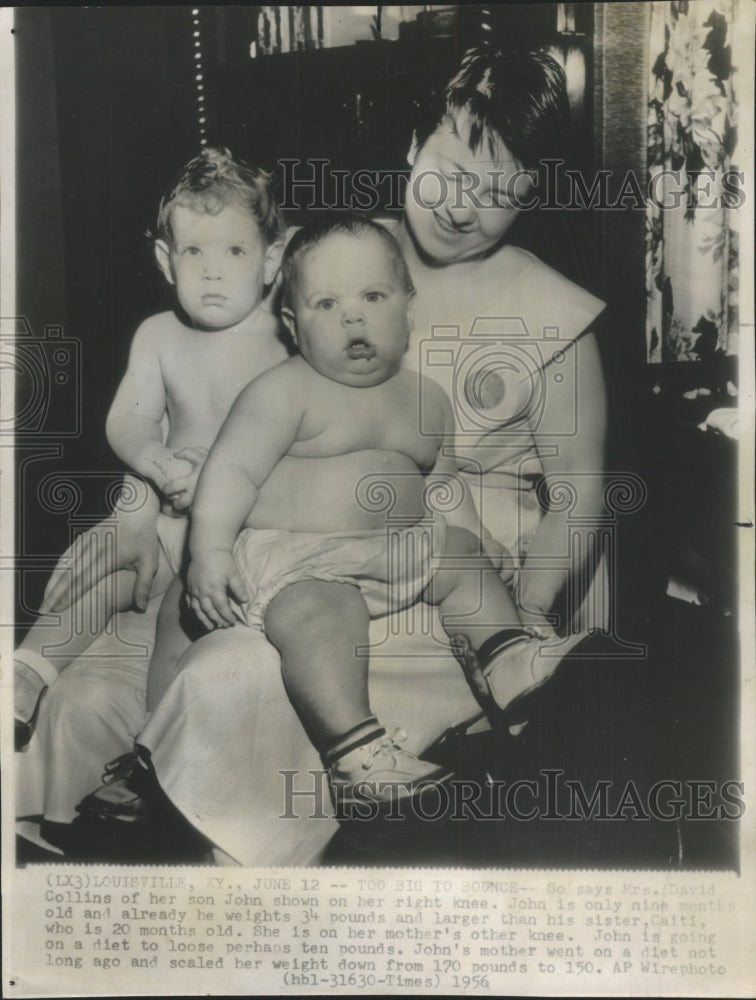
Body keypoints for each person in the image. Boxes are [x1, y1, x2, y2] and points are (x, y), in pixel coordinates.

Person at [17, 47, 607, 865]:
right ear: (413, 145)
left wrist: (519, 625)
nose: (462, 208)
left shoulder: (557, 317)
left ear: (534, 195)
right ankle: (69, 863)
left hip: (448, 579)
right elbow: (200, 394)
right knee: (88, 692)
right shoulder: (325, 257)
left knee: (232, 675)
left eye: (500, 192)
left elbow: (579, 499)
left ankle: (212, 867)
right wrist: (143, 505)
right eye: (447, 170)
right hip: (273, 540)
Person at [178, 212, 569, 818]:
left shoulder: (426, 400)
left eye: (372, 296)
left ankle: (508, 659)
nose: (352, 316)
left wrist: (480, 543)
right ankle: (357, 751)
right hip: (300, 562)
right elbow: (230, 473)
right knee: (322, 616)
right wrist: (210, 551)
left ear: (409, 310)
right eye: (326, 303)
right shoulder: (284, 390)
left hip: (395, 554)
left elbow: (442, 487)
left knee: (462, 554)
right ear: (292, 322)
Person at [13, 146, 287, 753]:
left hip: (242, 530)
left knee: (187, 620)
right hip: (164, 513)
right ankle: (26, 673)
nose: (212, 271)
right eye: (194, 251)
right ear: (166, 260)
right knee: (104, 573)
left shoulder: (283, 336)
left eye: (234, 251)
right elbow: (128, 419)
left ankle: (158, 751)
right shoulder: (159, 335)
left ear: (272, 259)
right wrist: (159, 465)